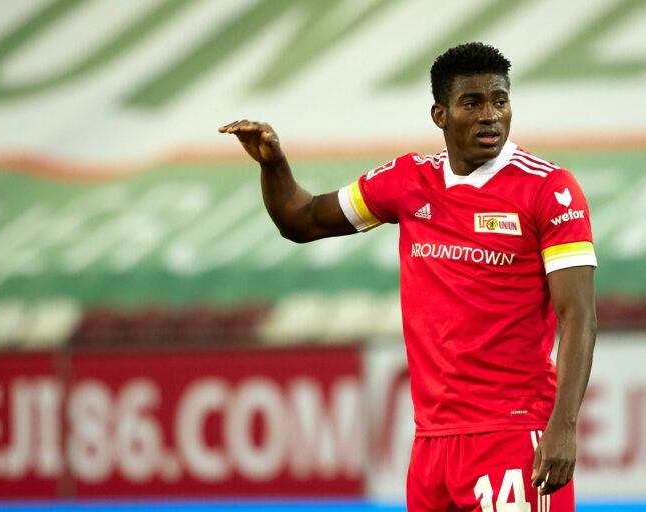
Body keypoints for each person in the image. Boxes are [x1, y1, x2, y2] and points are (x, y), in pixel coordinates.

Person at [219, 42, 597, 512]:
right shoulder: (408, 181)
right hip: (432, 448)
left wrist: (564, 426)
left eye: (500, 101)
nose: (490, 115)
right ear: (440, 114)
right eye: (472, 103)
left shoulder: (548, 189)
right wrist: (274, 164)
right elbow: (302, 220)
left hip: (514, 436)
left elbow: (578, 313)